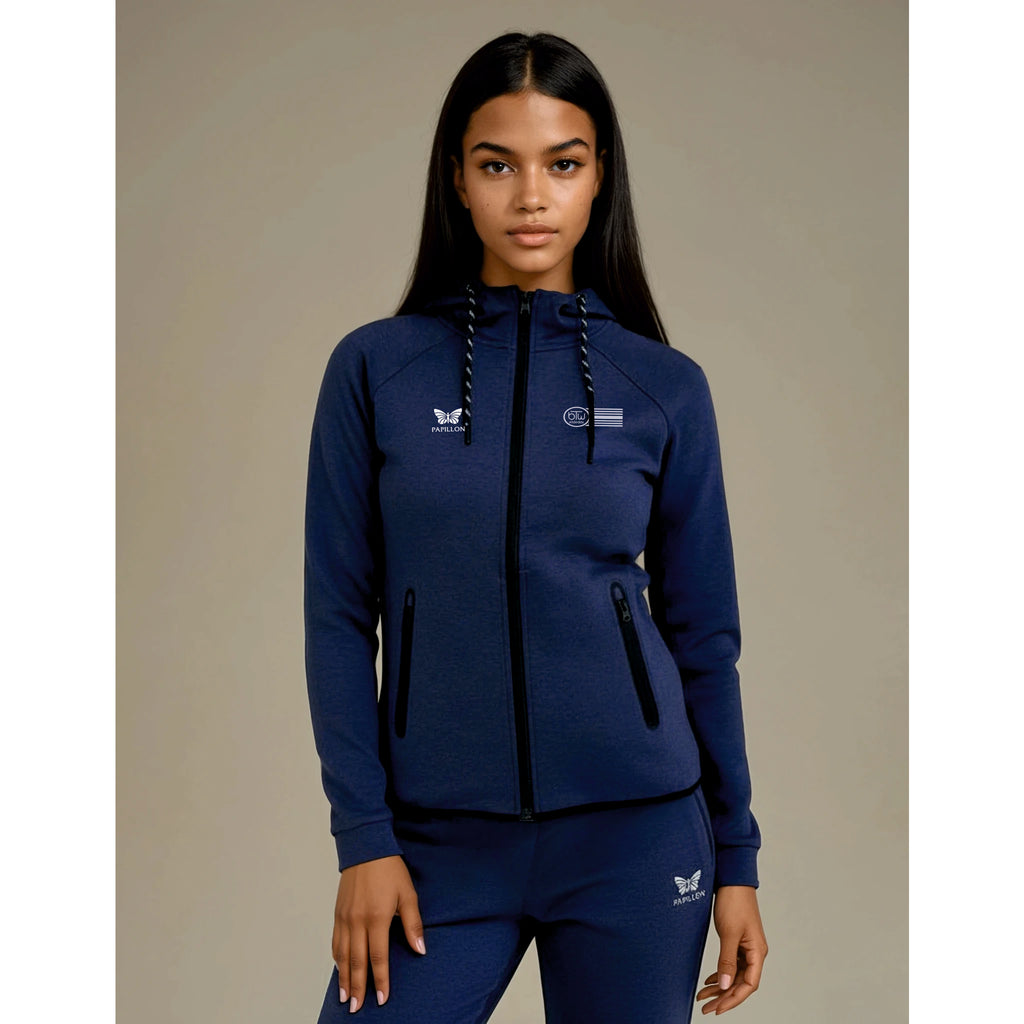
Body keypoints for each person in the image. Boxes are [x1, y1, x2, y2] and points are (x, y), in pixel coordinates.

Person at [303, 30, 769, 1023]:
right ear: (456, 178)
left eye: (562, 163)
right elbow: (338, 616)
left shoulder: (664, 386)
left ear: (599, 177)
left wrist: (736, 856)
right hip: (436, 841)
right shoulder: (377, 370)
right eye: (496, 164)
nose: (530, 197)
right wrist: (364, 837)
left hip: (638, 838)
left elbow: (704, 637)